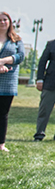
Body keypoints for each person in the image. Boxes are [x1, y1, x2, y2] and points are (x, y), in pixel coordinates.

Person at [0, 11, 26, 152]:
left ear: (9, 22)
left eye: (5, 20)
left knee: (3, 113)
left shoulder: (16, 40)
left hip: (7, 82)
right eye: (0, 20)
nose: (2, 22)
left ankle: (1, 144)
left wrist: (3, 61)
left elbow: (20, 56)